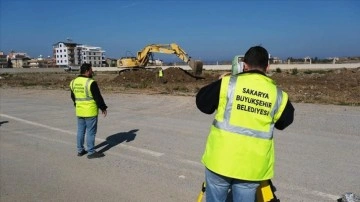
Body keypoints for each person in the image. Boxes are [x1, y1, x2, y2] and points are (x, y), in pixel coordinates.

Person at [196, 46, 294, 201]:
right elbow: (285, 121)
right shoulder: (278, 94)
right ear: (267, 67)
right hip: (252, 167)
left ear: (244, 65)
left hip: (220, 161)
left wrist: (219, 82)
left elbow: (202, 103)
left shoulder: (228, 84)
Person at [70, 63, 108, 159]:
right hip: (90, 111)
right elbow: (97, 97)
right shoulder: (91, 82)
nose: (92, 72)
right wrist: (103, 107)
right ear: (87, 71)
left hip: (79, 111)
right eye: (91, 70)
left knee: (80, 131)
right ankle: (91, 152)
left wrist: (77, 104)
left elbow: (73, 96)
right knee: (91, 132)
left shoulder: (73, 82)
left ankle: (80, 150)